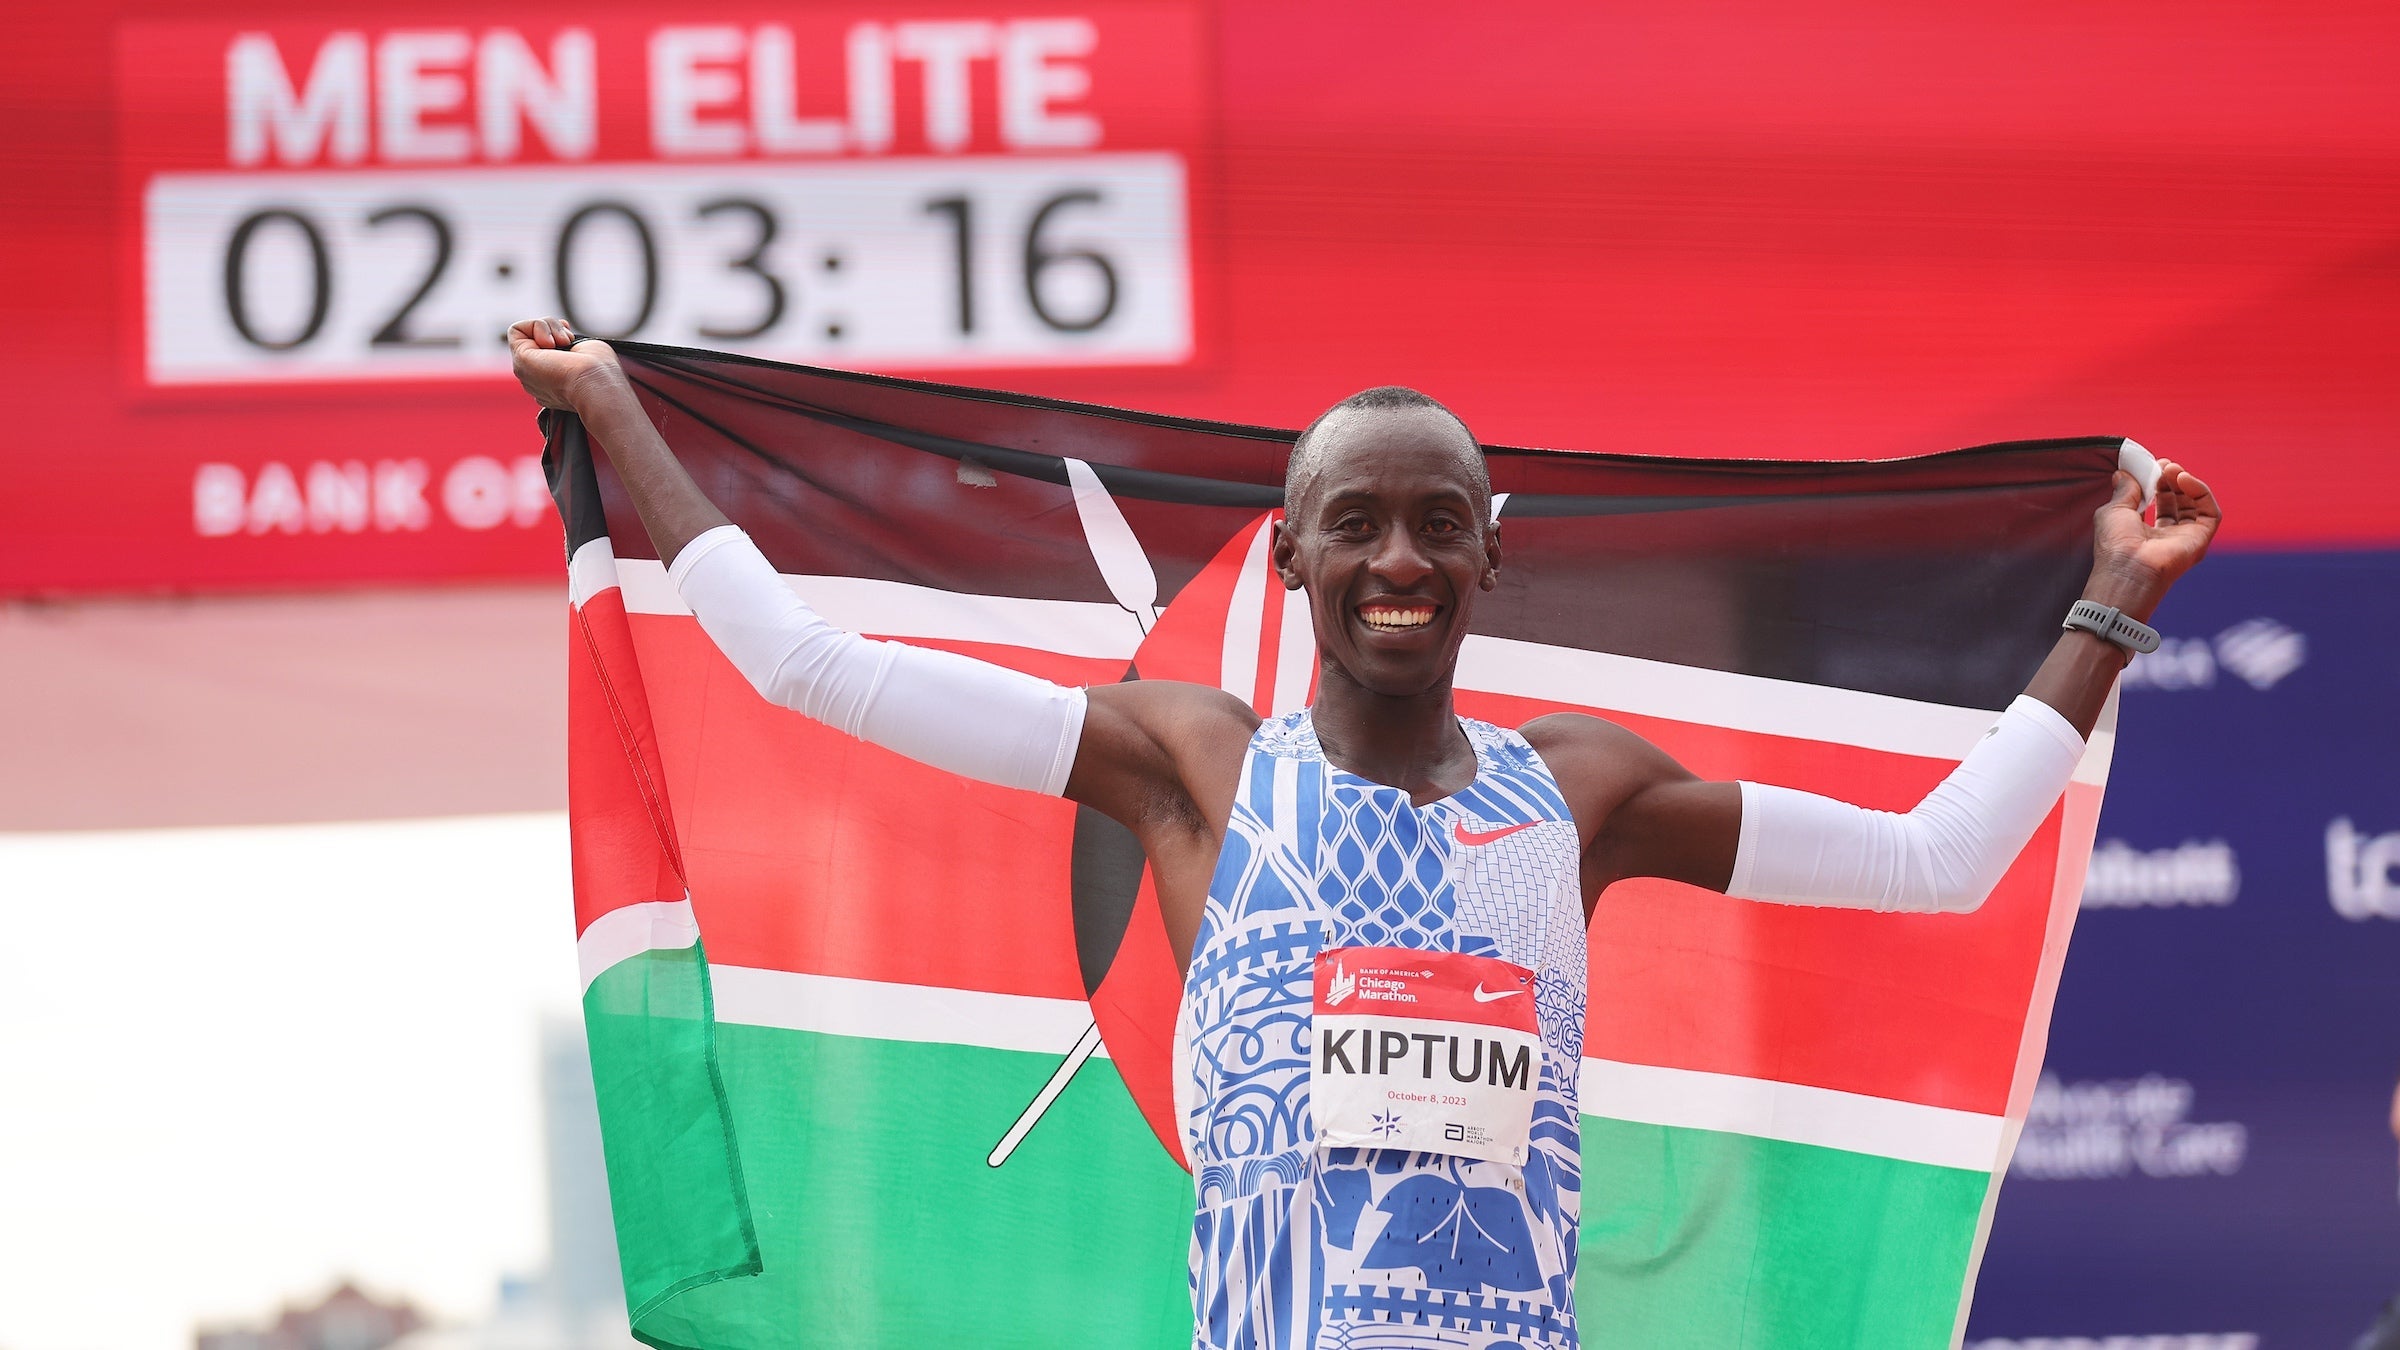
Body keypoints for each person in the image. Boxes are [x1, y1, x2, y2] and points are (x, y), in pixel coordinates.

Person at [509, 317, 2220, 1350]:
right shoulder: (1197, 768)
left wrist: (2113, 603)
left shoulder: (1580, 795)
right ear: (1292, 552)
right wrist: (616, 413)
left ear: (1492, 550)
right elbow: (809, 664)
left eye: (1435, 524)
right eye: (1357, 525)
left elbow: (1937, 856)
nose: (1397, 559)